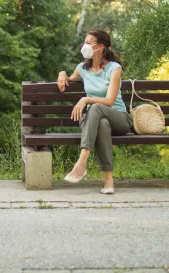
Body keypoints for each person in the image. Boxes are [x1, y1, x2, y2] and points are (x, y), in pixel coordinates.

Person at [57, 29, 132, 195]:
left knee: (97, 107)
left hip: (118, 118)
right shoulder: (82, 68)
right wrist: (62, 73)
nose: (85, 46)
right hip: (95, 120)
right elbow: (68, 78)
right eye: (85, 42)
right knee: (102, 124)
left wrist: (86, 100)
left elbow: (109, 101)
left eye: (88, 43)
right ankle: (108, 181)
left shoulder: (114, 68)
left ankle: (81, 163)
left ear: (100, 47)